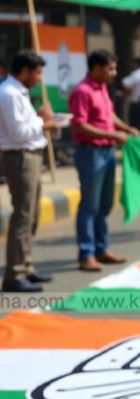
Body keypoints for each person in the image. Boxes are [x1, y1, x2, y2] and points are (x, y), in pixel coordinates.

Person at [69, 50, 138, 272]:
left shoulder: (102, 89)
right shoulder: (82, 91)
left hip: (107, 153)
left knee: (105, 204)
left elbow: (109, 116)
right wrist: (112, 136)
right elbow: (80, 125)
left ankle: (101, 248)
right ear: (96, 68)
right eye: (110, 68)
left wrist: (125, 128)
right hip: (91, 153)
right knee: (89, 205)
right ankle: (86, 254)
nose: (113, 73)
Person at [0, 51, 62, 292]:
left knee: (32, 215)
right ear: (24, 71)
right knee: (23, 216)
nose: (39, 78)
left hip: (31, 156)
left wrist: (42, 122)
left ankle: (25, 266)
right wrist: (42, 120)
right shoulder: (9, 93)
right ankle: (14, 274)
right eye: (37, 73)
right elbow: (18, 133)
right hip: (20, 158)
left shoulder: (19, 93)